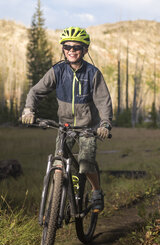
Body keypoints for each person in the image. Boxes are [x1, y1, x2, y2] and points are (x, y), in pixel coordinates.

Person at [21, 27, 113, 212]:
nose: (71, 50)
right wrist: (29, 110)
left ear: (85, 50)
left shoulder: (93, 73)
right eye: (67, 46)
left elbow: (103, 101)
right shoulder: (57, 71)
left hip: (88, 127)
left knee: (86, 162)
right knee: (58, 163)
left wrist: (105, 123)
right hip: (64, 127)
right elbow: (36, 92)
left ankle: (96, 191)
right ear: (63, 49)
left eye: (76, 47)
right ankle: (54, 209)